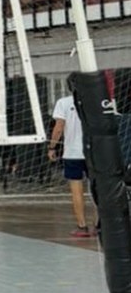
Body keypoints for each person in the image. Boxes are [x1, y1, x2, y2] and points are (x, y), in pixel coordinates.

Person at [50, 89, 94, 237]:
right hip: (94, 152)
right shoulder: (95, 100)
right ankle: (100, 225)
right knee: (98, 190)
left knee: (76, 191)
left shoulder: (63, 102)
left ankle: (82, 226)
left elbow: (59, 127)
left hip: (73, 153)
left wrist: (52, 147)